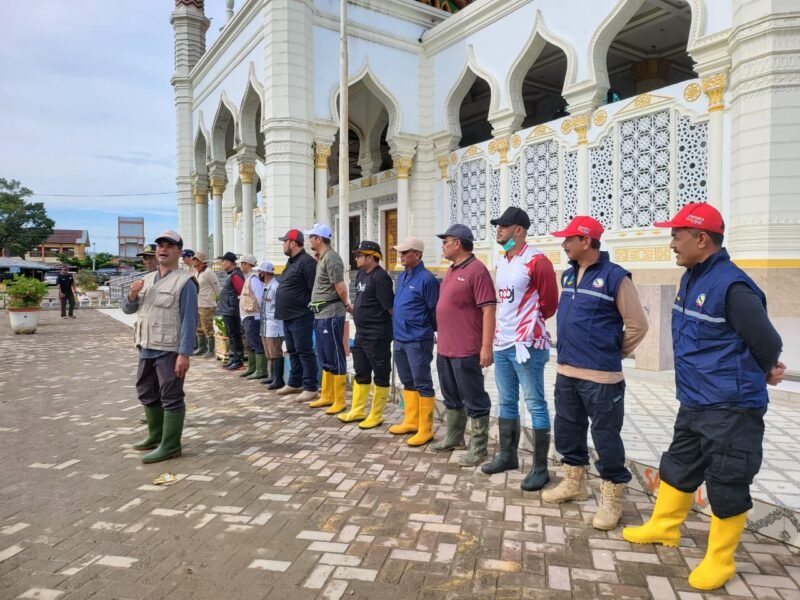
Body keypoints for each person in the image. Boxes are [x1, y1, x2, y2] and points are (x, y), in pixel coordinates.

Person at [623, 203, 785, 591]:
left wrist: (764, 370)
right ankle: (664, 528)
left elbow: (767, 341)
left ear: (702, 239)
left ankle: (720, 560)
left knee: (728, 480)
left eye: (677, 235)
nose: (671, 243)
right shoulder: (693, 277)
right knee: (677, 466)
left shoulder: (733, 286)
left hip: (731, 406)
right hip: (696, 400)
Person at [542, 216, 648, 531]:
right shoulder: (568, 275)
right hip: (567, 371)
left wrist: (613, 352)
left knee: (605, 437)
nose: (564, 244)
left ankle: (612, 498)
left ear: (586, 241)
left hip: (602, 378)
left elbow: (638, 325)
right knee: (567, 430)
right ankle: (574, 484)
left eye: (569, 239)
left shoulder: (616, 278)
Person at [483, 207, 558, 491]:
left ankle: (540, 468)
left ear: (519, 230)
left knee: (535, 403)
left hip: (527, 345)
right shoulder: (502, 261)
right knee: (506, 401)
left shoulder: (537, 262)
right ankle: (507, 455)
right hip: (503, 342)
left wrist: (527, 327)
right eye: (498, 227)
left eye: (504, 226)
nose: (499, 231)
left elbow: (549, 304)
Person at [122, 230, 198, 464]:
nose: (163, 249)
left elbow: (189, 320)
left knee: (171, 396)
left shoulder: (185, 282)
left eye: (169, 246)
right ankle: (155, 435)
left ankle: (171, 444)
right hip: (146, 345)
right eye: (160, 246)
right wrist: (132, 294)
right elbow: (128, 309)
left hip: (169, 349)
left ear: (178, 252)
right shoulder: (144, 280)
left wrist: (184, 354)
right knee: (146, 391)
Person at [431, 224, 496, 466]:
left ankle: (479, 448)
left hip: (466, 348)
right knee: (451, 395)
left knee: (474, 397)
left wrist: (486, 346)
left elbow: (488, 308)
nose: (443, 246)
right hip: (446, 347)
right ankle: (454, 437)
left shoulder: (477, 270)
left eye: (445, 241)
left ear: (457, 243)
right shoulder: (451, 270)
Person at [388, 237, 439, 446]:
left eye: (405, 252)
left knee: (422, 382)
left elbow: (434, 310)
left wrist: (427, 330)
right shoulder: (402, 277)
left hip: (417, 339)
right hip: (399, 337)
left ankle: (425, 428)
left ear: (417, 254)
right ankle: (411, 421)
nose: (401, 256)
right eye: (400, 252)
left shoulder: (427, 279)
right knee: (407, 381)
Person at [338, 240, 394, 429]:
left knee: (380, 373)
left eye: (359, 255)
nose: (356, 258)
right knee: (361, 372)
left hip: (377, 335)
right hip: (361, 333)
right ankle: (358, 410)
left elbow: (390, 308)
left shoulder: (381, 277)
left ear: (371, 257)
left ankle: (376, 414)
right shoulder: (361, 275)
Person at [305, 223, 352, 413]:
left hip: (331, 313)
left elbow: (339, 286)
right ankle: (327, 395)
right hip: (321, 313)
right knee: (324, 355)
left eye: (312, 236)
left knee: (335, 355)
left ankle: (339, 400)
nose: (310, 240)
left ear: (319, 239)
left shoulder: (331, 258)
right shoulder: (323, 258)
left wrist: (347, 303)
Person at [274, 229, 319, 400]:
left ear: (292, 243)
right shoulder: (291, 262)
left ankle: (310, 386)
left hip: (301, 315)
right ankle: (294, 382)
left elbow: (313, 288)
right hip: (288, 315)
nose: (283, 245)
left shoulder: (307, 262)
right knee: (292, 350)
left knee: (304, 350)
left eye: (284, 241)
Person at [237, 254, 267, 380]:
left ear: (248, 264)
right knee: (250, 343)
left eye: (242, 263)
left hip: (253, 316)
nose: (241, 265)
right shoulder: (249, 278)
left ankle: (261, 370)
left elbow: (260, 298)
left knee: (256, 343)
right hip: (248, 316)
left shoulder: (253, 279)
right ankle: (252, 367)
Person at [257, 261, 285, 390]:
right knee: (269, 351)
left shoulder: (275, 287)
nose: (259, 274)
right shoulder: (266, 286)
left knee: (275, 352)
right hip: (265, 323)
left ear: (264, 273)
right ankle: (272, 376)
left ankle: (278, 379)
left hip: (274, 324)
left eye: (260, 272)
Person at [216, 251, 245, 370]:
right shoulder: (231, 274)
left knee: (235, 335)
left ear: (229, 262)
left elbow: (241, 291)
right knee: (231, 335)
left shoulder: (236, 276)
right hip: (228, 309)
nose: (221, 264)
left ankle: (238, 360)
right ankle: (233, 358)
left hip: (232, 310)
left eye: (223, 261)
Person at [192, 251, 221, 359]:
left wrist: (216, 299)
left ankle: (211, 349)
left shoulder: (209, 272)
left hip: (207, 304)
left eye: (197, 261)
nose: (195, 263)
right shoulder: (196, 273)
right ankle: (202, 347)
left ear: (202, 262)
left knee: (208, 327)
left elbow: (216, 287)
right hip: (197, 303)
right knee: (199, 327)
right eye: (194, 261)